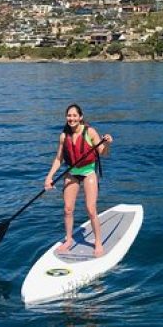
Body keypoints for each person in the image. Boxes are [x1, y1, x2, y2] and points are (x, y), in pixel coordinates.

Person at [44, 104, 113, 257]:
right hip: (72, 173)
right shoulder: (63, 136)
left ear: (80, 117)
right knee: (68, 209)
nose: (71, 118)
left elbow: (103, 153)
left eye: (75, 115)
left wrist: (106, 143)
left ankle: (98, 242)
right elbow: (59, 159)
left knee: (90, 209)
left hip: (88, 172)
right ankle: (68, 240)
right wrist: (49, 177)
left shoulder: (90, 132)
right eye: (69, 115)